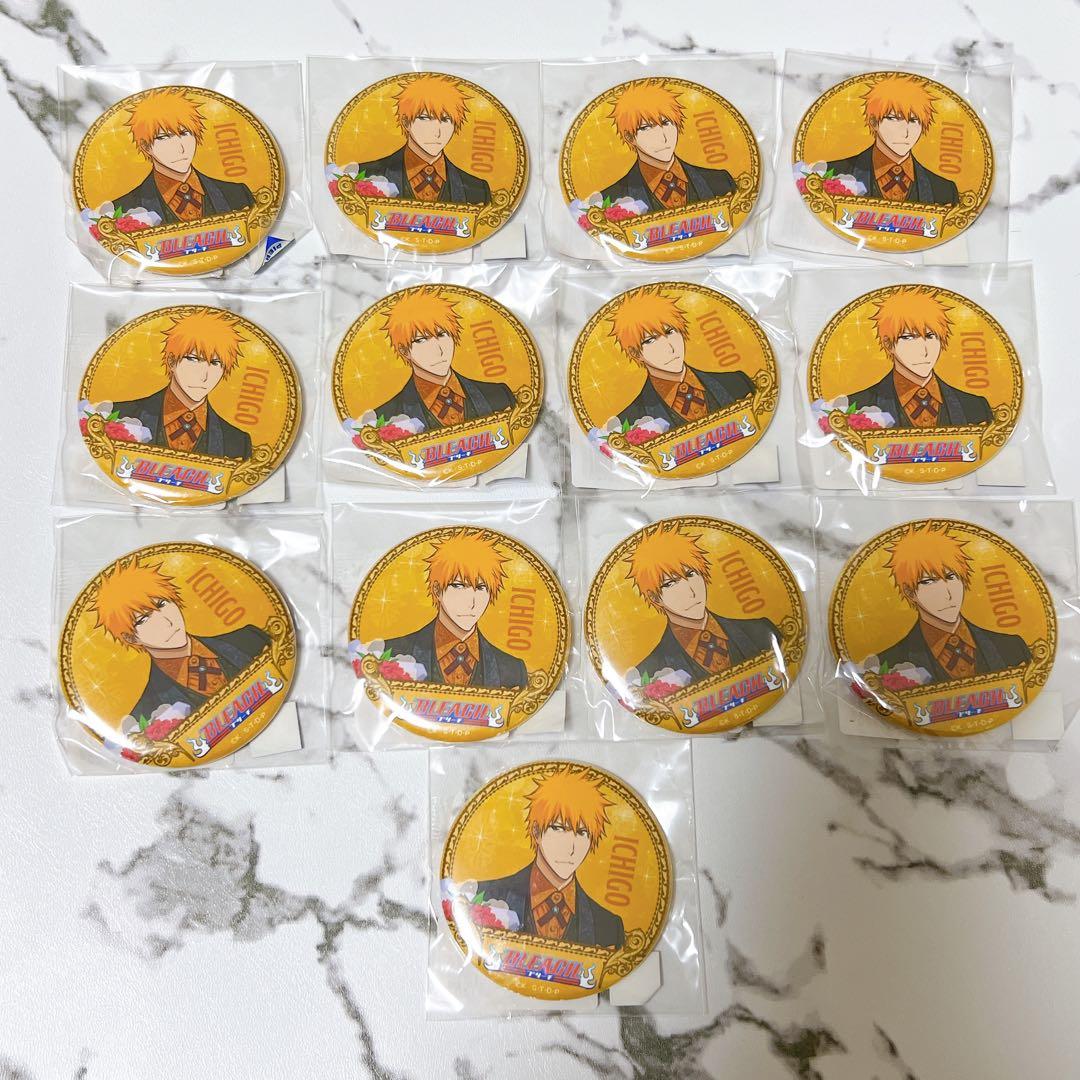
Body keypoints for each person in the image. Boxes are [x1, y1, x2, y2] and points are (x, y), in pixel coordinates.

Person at [94, 556, 270, 723]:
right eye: (143, 619)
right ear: (131, 638)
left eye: (162, 604)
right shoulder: (146, 712)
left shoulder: (250, 639)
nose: (166, 622)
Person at [476, 765, 625, 948]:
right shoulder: (484, 897)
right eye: (559, 828)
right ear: (536, 832)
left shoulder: (609, 926)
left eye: (582, 832)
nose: (570, 848)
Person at [876, 523, 1031, 681]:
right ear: (910, 592)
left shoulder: (1012, 647)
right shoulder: (888, 664)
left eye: (951, 577)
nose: (947, 594)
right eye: (928, 581)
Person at [626, 523, 779, 680]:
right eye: (670, 583)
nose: (690, 592)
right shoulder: (647, 673)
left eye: (691, 574)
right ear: (654, 598)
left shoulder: (762, 631)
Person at [383, 529, 527, 689]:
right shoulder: (389, 653)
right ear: (437, 590)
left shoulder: (514, 669)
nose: (471, 602)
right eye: (458, 586)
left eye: (481, 588)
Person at [609, 286, 754, 432]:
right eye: (650, 340)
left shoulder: (737, 383)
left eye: (670, 331)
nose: (669, 348)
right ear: (635, 353)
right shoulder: (629, 422)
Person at [113, 309, 252, 460]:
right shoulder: (118, 415)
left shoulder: (238, 441)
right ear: (172, 362)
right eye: (193, 359)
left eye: (215, 362)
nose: (204, 376)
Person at [844, 288, 992, 429]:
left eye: (930, 336)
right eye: (908, 337)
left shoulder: (975, 406)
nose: (923, 351)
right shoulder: (855, 407)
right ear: (888, 344)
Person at [373, 288, 515, 428]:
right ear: (404, 351)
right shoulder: (384, 419)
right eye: (421, 340)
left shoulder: (499, 394)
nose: (438, 350)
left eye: (442, 335)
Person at [111, 88, 254, 223]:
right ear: (145, 146)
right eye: (163, 137)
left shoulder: (237, 193)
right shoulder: (123, 209)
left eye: (185, 133)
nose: (180, 148)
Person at [356, 73, 491, 205]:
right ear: (406, 122)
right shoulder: (363, 175)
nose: (436, 132)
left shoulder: (478, 190)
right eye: (425, 118)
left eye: (446, 119)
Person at [825, 73, 959, 206]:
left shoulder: (945, 190)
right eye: (893, 118)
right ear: (873, 122)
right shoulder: (830, 174)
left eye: (914, 120)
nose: (905, 133)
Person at [601, 81, 736, 211]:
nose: (662, 138)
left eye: (666, 123)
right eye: (646, 127)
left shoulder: (720, 181)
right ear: (630, 137)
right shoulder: (610, 201)